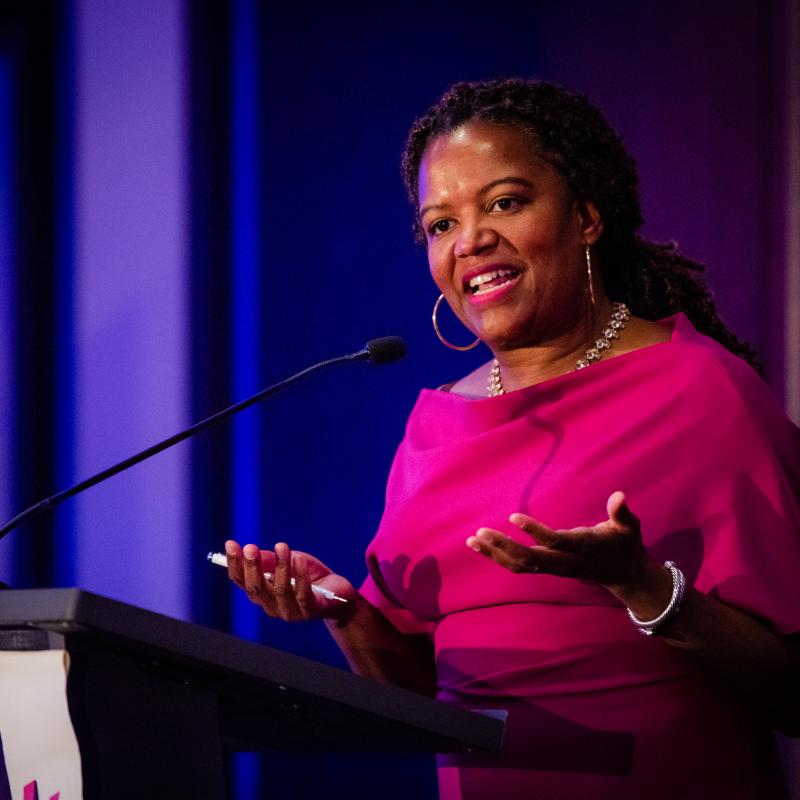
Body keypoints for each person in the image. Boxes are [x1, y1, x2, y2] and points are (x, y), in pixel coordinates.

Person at [225, 78, 800, 799]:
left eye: (504, 202)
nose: (471, 241)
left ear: (586, 216)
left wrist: (643, 585)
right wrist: (341, 609)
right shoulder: (434, 425)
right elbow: (418, 695)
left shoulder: (704, 392)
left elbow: (793, 692)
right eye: (441, 224)